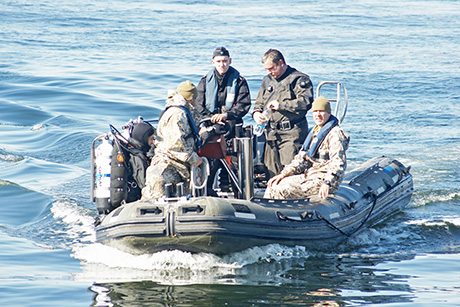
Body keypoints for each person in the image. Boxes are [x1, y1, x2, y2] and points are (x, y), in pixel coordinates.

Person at [264, 97, 349, 199]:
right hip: (310, 175)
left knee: (282, 189)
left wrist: (327, 182)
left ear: (328, 113)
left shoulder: (335, 134)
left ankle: (282, 212)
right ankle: (267, 213)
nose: (318, 115)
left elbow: (338, 162)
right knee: (272, 185)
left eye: (321, 111)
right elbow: (301, 158)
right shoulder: (315, 131)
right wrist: (283, 174)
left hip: (323, 179)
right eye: (315, 111)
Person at [141, 80, 215, 200]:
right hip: (166, 168)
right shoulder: (176, 115)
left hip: (177, 167)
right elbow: (175, 145)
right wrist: (195, 159)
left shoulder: (183, 112)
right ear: (191, 99)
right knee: (157, 203)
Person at [195, 46, 251, 193]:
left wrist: (227, 116)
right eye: (219, 61)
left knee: (235, 166)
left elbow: (244, 105)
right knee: (210, 166)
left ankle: (240, 194)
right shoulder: (205, 81)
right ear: (213, 62)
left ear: (230, 61)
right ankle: (207, 193)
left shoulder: (239, 81)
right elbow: (198, 105)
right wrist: (212, 118)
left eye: (225, 61)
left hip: (231, 129)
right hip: (211, 129)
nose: (222, 64)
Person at [252, 49, 314, 179]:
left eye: (272, 68)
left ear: (280, 63)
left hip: (291, 133)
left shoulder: (299, 79)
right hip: (271, 134)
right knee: (271, 171)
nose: (269, 72)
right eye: (267, 69)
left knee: (290, 170)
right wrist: (256, 114)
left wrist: (282, 105)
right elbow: (258, 103)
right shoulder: (267, 80)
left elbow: (306, 102)